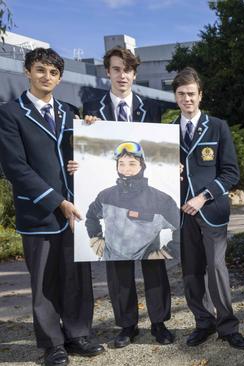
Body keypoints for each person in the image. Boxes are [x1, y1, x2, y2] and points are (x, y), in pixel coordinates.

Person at [0, 48, 104, 365]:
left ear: (60, 78)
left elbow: (86, 157)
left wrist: (94, 132)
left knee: (77, 276)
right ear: (28, 71)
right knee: (44, 281)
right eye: (41, 70)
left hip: (77, 209)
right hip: (40, 212)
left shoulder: (71, 112)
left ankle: (77, 334)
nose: (47, 77)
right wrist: (57, 201)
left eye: (54, 72)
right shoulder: (10, 113)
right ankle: (51, 344)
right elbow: (15, 168)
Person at [83, 46, 174, 348]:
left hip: (145, 195)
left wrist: (175, 166)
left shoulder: (152, 107)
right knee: (118, 269)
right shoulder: (90, 107)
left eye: (128, 69)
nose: (122, 75)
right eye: (116, 69)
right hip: (117, 198)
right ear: (107, 72)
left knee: (154, 266)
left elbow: (163, 147)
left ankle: (159, 323)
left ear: (135, 73)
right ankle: (127, 326)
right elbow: (79, 150)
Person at [172, 67, 244, 349]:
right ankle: (202, 323)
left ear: (200, 95)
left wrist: (203, 197)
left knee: (216, 268)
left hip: (211, 210)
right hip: (180, 213)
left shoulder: (218, 126)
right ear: (175, 97)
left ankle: (228, 326)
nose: (187, 99)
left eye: (191, 93)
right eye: (181, 94)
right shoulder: (166, 131)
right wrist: (169, 170)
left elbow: (230, 173)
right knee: (191, 271)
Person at [85, 141, 180, 261]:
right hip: (110, 262)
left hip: (147, 268)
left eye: (132, 164)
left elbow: (182, 227)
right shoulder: (105, 196)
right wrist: (95, 239)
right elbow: (91, 217)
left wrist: (168, 254)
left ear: (142, 166)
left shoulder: (162, 201)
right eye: (121, 163)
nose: (126, 169)